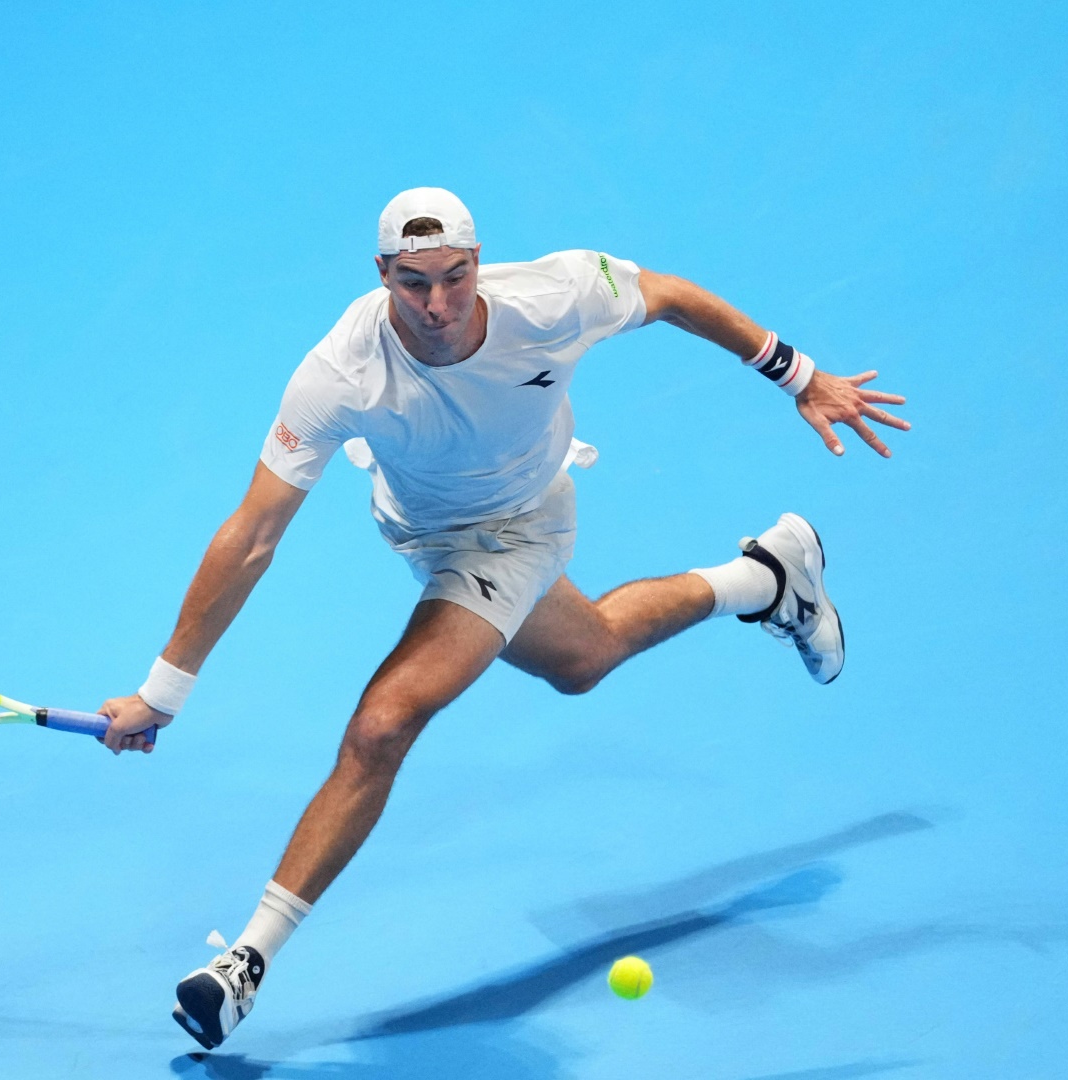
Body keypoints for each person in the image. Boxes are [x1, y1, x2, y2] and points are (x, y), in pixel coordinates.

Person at [95, 188, 909, 1049]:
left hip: (518, 528)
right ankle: (767, 577)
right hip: (426, 532)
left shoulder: (552, 298)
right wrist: (164, 690)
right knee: (584, 657)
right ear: (382, 275)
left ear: (478, 263)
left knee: (383, 722)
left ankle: (244, 965)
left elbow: (668, 294)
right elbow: (253, 534)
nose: (438, 304)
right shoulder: (339, 371)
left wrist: (797, 375)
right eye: (414, 283)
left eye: (455, 277)